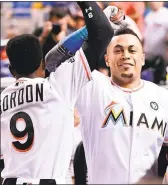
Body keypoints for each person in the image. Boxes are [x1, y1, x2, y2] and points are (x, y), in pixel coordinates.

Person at [46, 27, 168, 184]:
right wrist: (92, 28)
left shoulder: (163, 97)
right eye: (118, 51)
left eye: (132, 50)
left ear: (143, 58)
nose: (126, 55)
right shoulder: (92, 86)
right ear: (106, 59)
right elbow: (53, 62)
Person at [0, 2, 115, 185]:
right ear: (42, 65)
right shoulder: (57, 87)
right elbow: (103, 30)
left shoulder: (3, 99)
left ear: (12, 70)